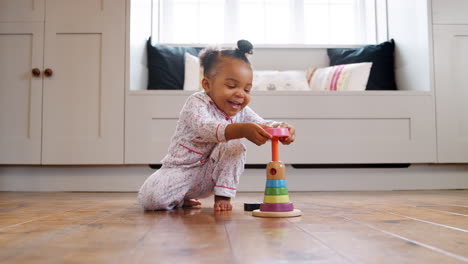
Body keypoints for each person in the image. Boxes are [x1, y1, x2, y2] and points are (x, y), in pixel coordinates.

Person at [138, 40, 296, 211]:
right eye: (231, 86)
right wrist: (242, 129)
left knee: (234, 146)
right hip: (180, 171)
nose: (240, 94)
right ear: (207, 84)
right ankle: (181, 197)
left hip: (211, 175)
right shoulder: (196, 103)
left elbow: (261, 123)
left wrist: (280, 128)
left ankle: (223, 196)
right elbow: (207, 128)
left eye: (247, 89)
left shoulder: (240, 110)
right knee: (151, 200)